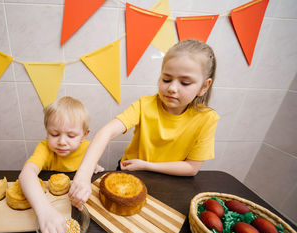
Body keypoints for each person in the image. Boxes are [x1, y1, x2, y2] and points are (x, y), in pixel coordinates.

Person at [69, 39, 220, 210]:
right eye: (166, 79)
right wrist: (82, 175)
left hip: (170, 181)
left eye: (185, 83)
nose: (172, 88)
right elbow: (106, 133)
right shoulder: (144, 105)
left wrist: (146, 165)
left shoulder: (208, 119)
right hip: (130, 172)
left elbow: (191, 168)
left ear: (204, 87)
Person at [19, 96, 104, 233]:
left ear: (84, 135)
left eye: (71, 136)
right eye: (54, 134)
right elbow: (26, 174)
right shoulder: (44, 148)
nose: (62, 142)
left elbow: (91, 163)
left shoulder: (88, 148)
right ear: (47, 131)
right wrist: (44, 211)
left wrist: (94, 166)